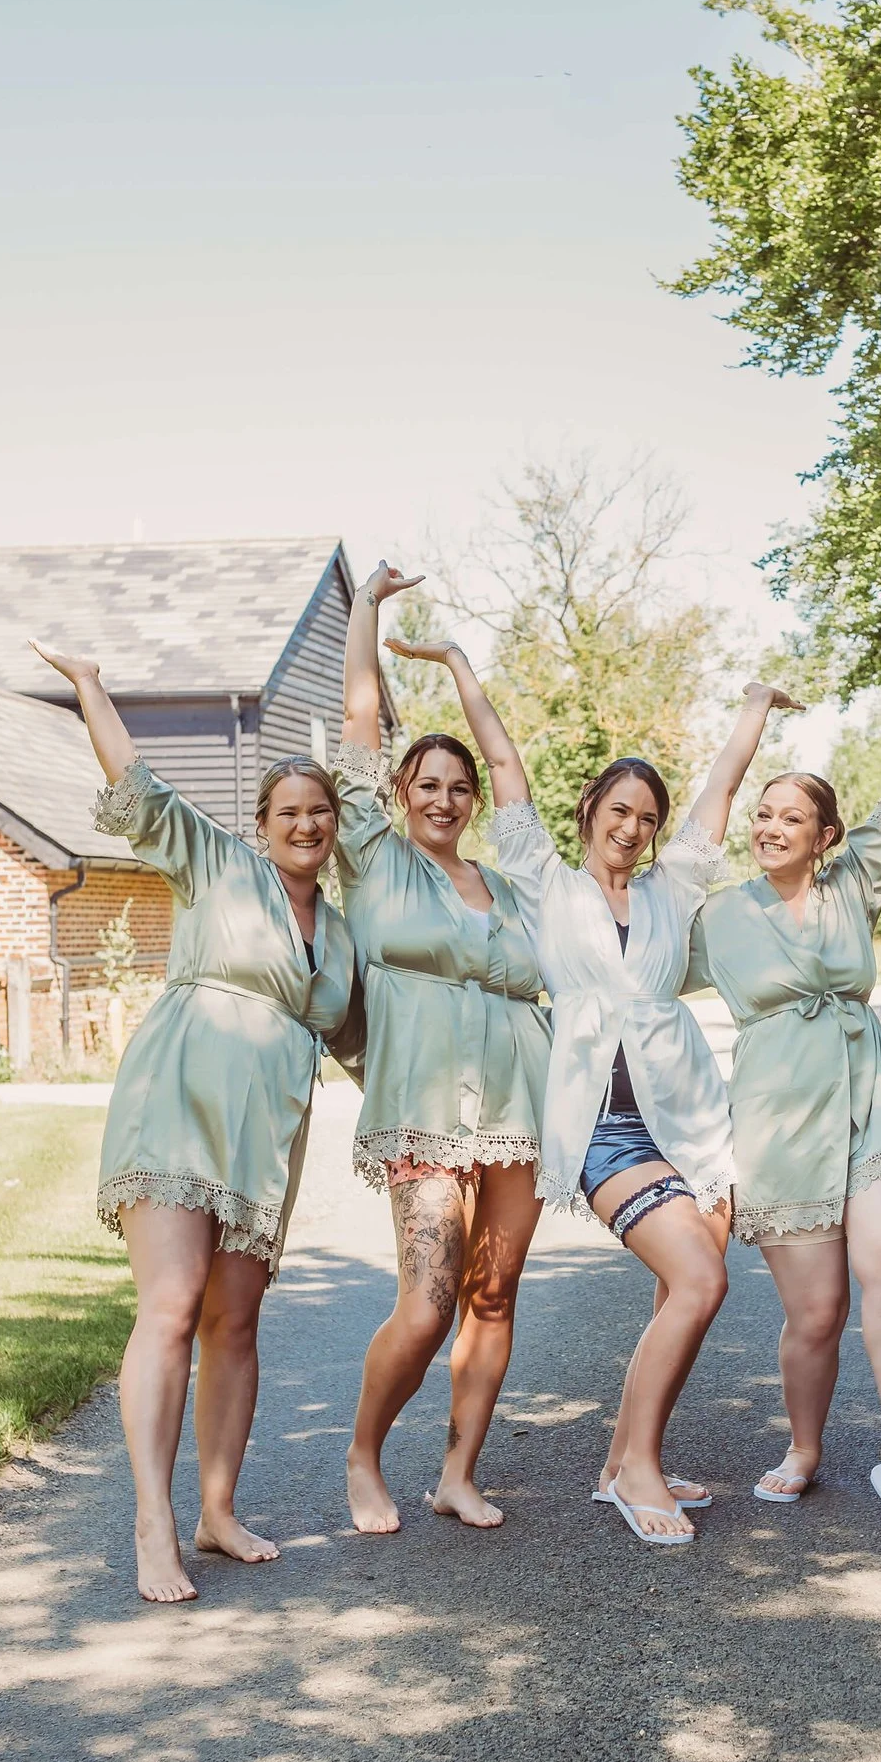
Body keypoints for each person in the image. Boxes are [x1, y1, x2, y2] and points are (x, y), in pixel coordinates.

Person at [399, 649, 798, 1544]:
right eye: (620, 809)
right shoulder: (544, 880)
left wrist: (755, 710)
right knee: (700, 1279)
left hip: (692, 1120)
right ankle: (639, 1473)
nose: (633, 827)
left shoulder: (670, 890)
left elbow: (719, 794)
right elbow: (502, 763)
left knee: (680, 1296)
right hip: (603, 1129)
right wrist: (461, 667)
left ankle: (624, 1458)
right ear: (590, 812)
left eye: (647, 818)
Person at [36, 639, 358, 1600]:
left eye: (319, 811)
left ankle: (219, 1509)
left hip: (266, 1137)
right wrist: (90, 685)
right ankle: (153, 1519)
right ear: (260, 827)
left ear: (335, 826)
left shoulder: (339, 933)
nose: (305, 824)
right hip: (178, 1103)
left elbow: (366, 1039)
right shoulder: (215, 865)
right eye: (288, 812)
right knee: (172, 1308)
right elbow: (134, 781)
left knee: (237, 1319)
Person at [686, 643, 881, 1533]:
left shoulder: (854, 884)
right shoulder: (718, 917)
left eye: (789, 817)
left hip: (870, 1104)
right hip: (778, 1125)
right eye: (762, 814)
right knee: (817, 1310)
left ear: (824, 837)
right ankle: (804, 1447)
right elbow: (633, 972)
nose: (769, 826)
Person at [332, 564, 552, 1534]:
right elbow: (356, 729)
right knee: (426, 1304)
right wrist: (369, 613)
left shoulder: (507, 888)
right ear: (399, 791)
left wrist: (464, 668)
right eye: (428, 783)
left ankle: (458, 1473)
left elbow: (514, 775)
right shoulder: (376, 861)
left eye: (458, 787)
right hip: (422, 1107)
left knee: (491, 1298)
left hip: (515, 1111)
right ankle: (364, 1455)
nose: (448, 797)